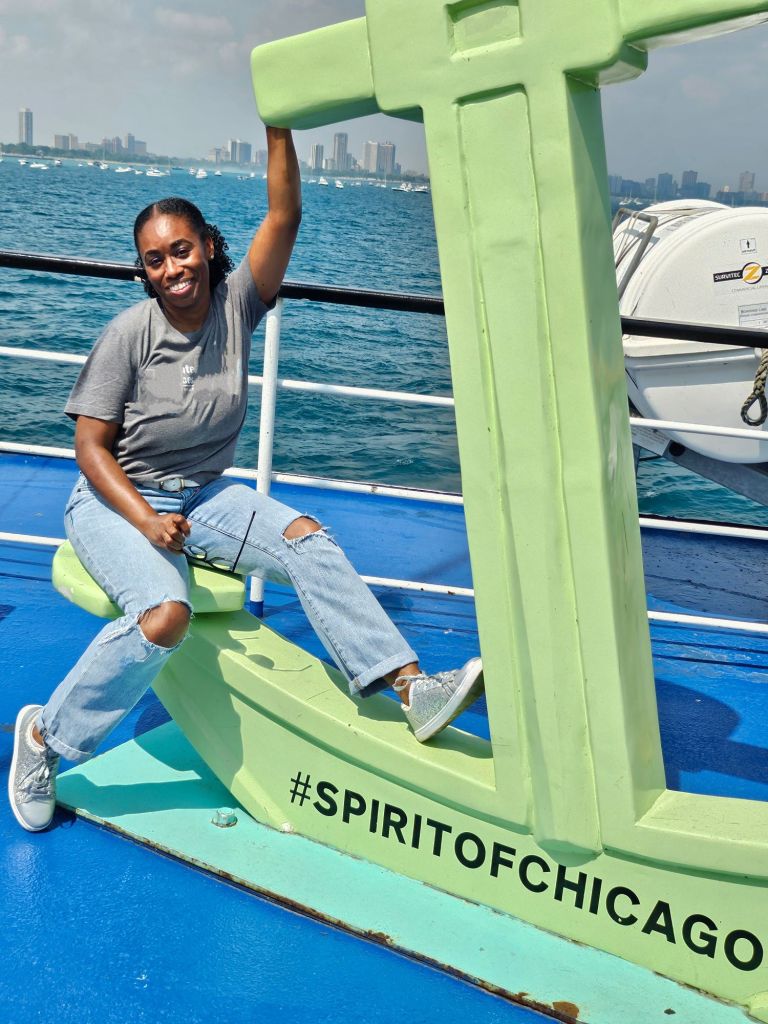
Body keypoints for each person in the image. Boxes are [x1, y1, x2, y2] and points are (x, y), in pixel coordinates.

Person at [8, 126, 484, 833]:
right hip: (115, 501)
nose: (172, 268)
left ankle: (411, 688)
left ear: (207, 246)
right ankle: (46, 738)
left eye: (181, 249)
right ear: (143, 272)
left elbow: (285, 214)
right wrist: (145, 520)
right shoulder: (130, 333)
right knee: (165, 615)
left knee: (307, 538)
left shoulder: (237, 305)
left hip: (203, 495)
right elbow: (89, 448)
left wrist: (278, 124)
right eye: (155, 260)